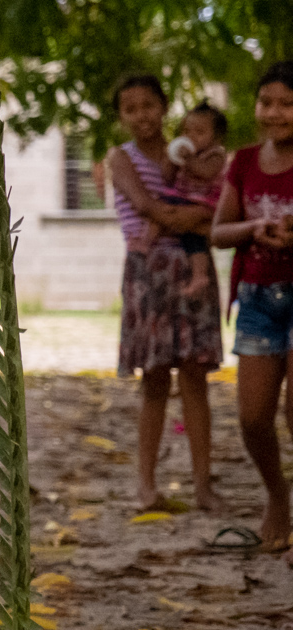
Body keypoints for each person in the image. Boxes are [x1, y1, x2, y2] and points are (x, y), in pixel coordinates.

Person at [106, 74, 223, 513]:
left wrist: (197, 220)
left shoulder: (189, 153)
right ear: (121, 116)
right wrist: (191, 218)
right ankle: (146, 484)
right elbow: (145, 206)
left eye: (148, 106)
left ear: (164, 106)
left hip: (192, 270)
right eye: (130, 108)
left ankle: (202, 486)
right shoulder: (121, 158)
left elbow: (218, 209)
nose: (141, 116)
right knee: (154, 380)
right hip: (147, 274)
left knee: (195, 377)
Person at [210, 60, 293, 554]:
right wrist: (253, 230)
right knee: (253, 419)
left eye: (286, 103)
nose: (275, 112)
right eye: (267, 103)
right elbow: (218, 232)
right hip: (259, 299)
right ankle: (277, 496)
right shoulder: (241, 162)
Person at [135, 103, 228, 300]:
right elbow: (167, 178)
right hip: (181, 199)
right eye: (186, 131)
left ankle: (200, 275)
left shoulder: (216, 155)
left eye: (200, 132)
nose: (191, 136)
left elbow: (206, 172)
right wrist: (170, 159)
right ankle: (145, 242)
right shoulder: (186, 154)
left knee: (196, 240)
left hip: (203, 203)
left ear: (216, 137)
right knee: (160, 207)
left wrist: (189, 159)